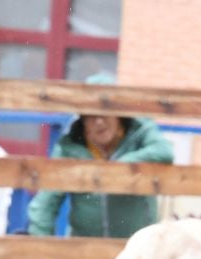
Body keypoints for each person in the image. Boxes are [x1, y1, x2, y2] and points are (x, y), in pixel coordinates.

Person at [25, 100, 176, 241]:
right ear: (82, 121)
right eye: (91, 115)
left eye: (105, 113)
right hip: (83, 252)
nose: (99, 121)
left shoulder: (139, 130)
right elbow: (46, 201)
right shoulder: (69, 146)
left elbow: (164, 151)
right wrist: (38, 251)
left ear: (118, 116)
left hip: (135, 252)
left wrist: (120, 166)